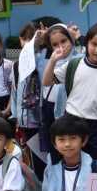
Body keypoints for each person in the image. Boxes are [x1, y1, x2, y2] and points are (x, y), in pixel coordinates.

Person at [44, 23, 97, 173]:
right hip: (72, 122)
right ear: (87, 43)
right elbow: (47, 81)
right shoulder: (74, 64)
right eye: (94, 44)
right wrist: (52, 61)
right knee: (73, 163)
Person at [37, 24, 83, 164]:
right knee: (52, 144)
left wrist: (78, 36)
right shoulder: (45, 60)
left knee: (67, 144)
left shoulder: (78, 59)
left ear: (71, 40)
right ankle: (55, 170)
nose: (61, 47)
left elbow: (90, 53)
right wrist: (38, 41)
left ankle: (71, 170)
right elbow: (27, 59)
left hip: (66, 109)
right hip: (47, 107)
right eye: (55, 44)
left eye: (64, 41)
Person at [11, 22, 43, 177]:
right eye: (24, 39)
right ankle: (37, 185)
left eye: (32, 39)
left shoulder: (44, 61)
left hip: (42, 119)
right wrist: (16, 117)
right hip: (26, 121)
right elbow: (15, 92)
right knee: (32, 158)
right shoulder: (17, 65)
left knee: (45, 157)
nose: (27, 43)